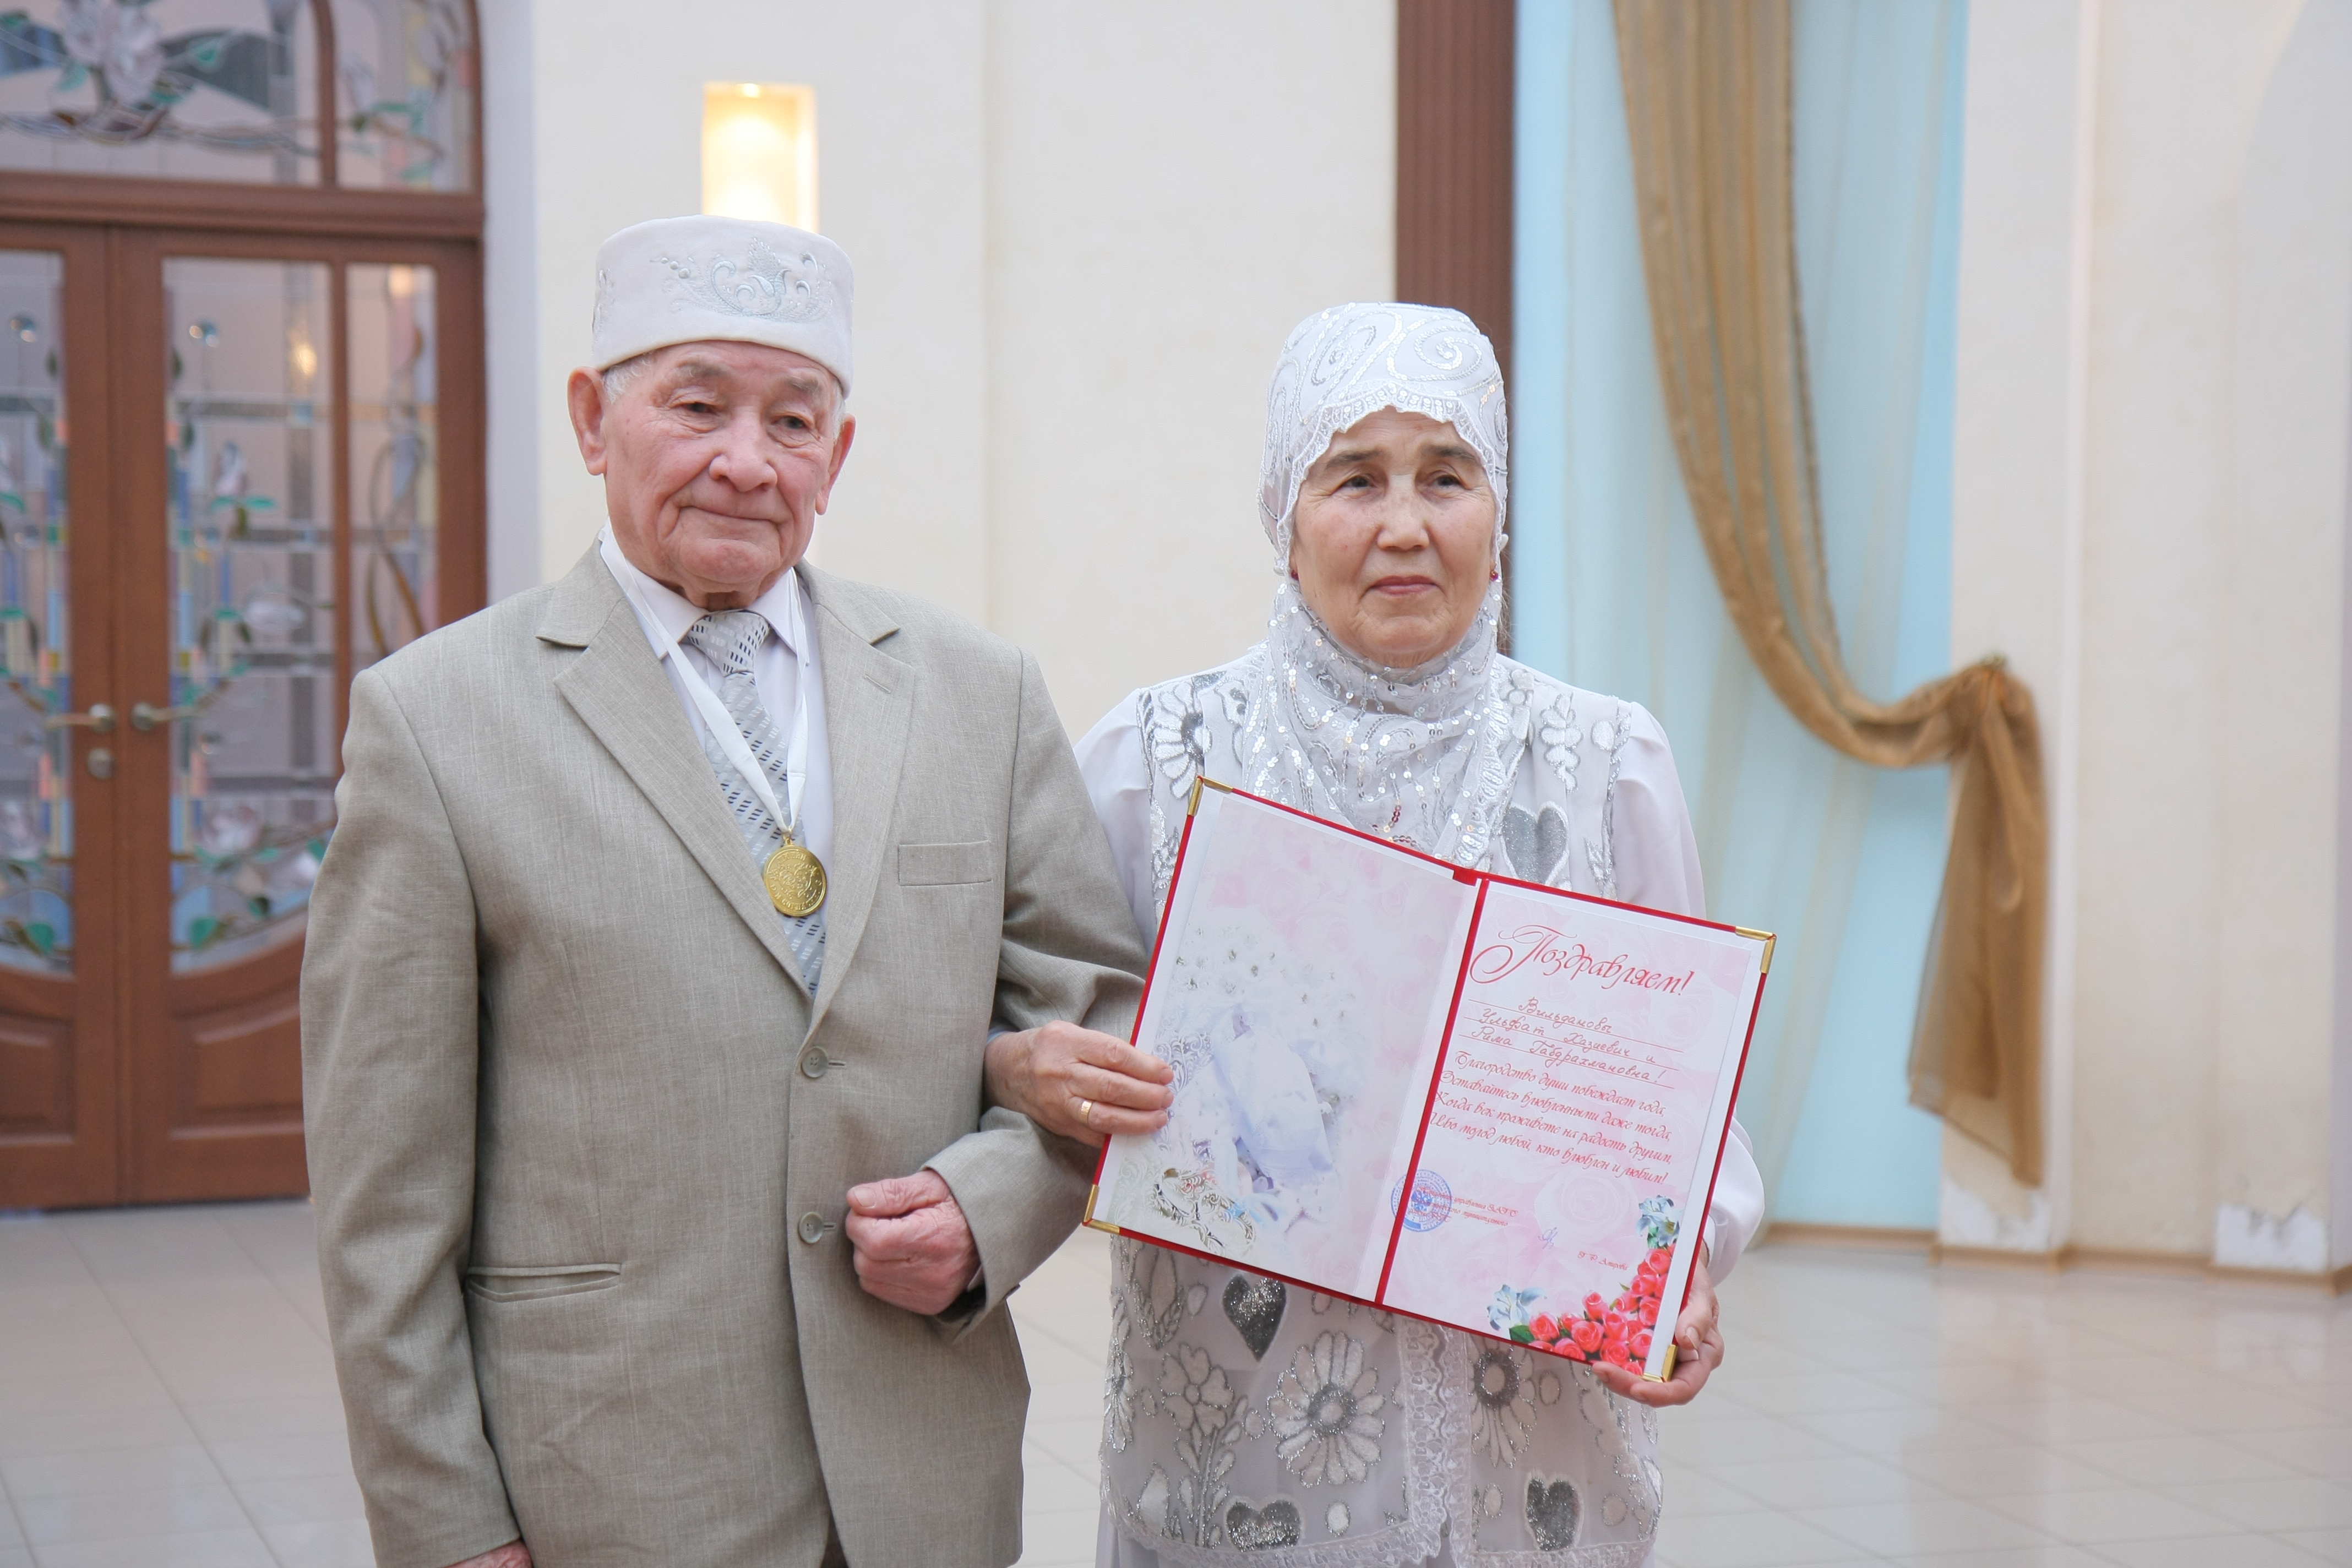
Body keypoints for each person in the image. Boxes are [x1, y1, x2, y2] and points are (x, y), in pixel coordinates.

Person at [301, 215, 1146, 1568]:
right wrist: (445, 1522)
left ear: (838, 456)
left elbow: (1091, 1018)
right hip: (613, 1480)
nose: (747, 461)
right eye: (698, 407)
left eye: (792, 421)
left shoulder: (976, 694)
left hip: (919, 1474)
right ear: (594, 420)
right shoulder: (438, 720)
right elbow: (381, 1193)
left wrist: (988, 1208)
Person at [983, 303, 1768, 1566]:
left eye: (1447, 476)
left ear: (1498, 516)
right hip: (1242, 1433)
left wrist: (1682, 1262)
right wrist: (1035, 1068)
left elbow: (1688, 1108)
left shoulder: (1603, 765)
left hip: (1535, 1443)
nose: (1405, 524)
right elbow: (1035, 1021)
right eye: (1355, 477)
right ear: (1284, 519)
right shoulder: (1161, 758)